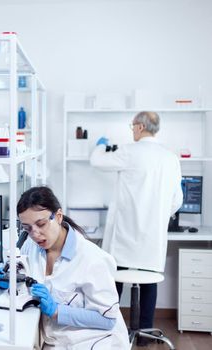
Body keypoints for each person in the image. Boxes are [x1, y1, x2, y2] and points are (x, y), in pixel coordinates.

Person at [0, 186, 129, 349]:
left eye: (41, 224)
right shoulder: (31, 245)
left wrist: (57, 310)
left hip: (91, 341)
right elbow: (22, 273)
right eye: (27, 228)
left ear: (58, 216)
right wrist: (7, 277)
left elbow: (107, 320)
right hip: (54, 339)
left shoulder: (92, 259)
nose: (35, 234)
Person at [90, 111, 183, 344]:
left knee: (115, 280)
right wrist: (160, 216)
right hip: (152, 240)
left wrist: (100, 146)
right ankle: (145, 336)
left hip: (125, 237)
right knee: (150, 282)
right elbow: (177, 200)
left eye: (132, 126)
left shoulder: (130, 152)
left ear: (141, 127)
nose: (131, 130)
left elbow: (97, 161)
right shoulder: (171, 158)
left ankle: (110, 329)